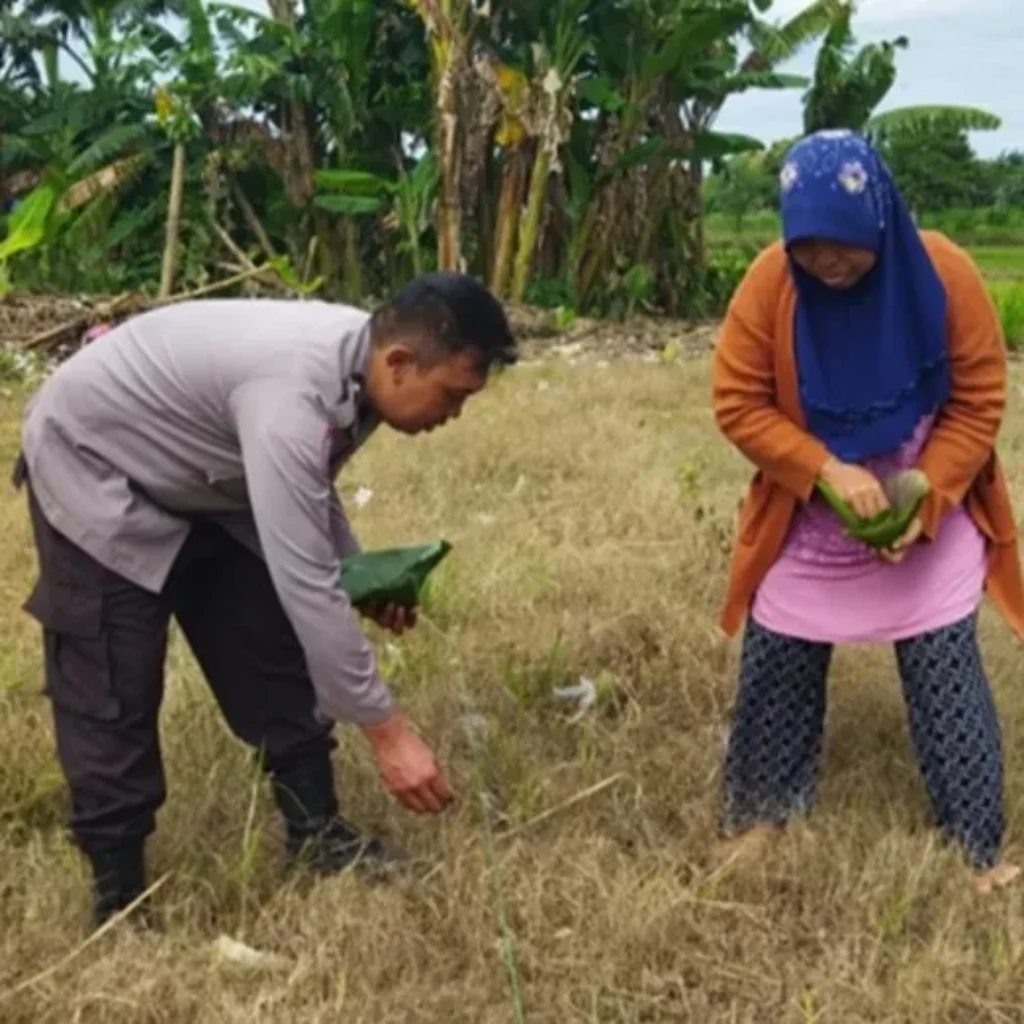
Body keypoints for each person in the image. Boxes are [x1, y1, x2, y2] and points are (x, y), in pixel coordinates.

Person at [15, 272, 517, 926]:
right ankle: (120, 897)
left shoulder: (360, 362)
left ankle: (316, 836)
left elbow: (308, 496)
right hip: (99, 463)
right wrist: (388, 733)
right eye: (452, 395)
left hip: (208, 472)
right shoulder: (290, 398)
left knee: (265, 642)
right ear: (400, 363)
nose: (453, 415)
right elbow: (306, 580)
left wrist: (361, 578)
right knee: (114, 675)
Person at [711, 129, 1024, 894]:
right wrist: (823, 469)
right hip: (812, 515)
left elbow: (980, 400)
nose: (827, 262)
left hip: (926, 507)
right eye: (808, 245)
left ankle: (975, 849)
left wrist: (926, 491)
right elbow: (737, 402)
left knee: (943, 669)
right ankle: (764, 820)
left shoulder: (944, 272)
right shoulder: (769, 285)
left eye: (843, 243)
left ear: (879, 218)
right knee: (779, 659)